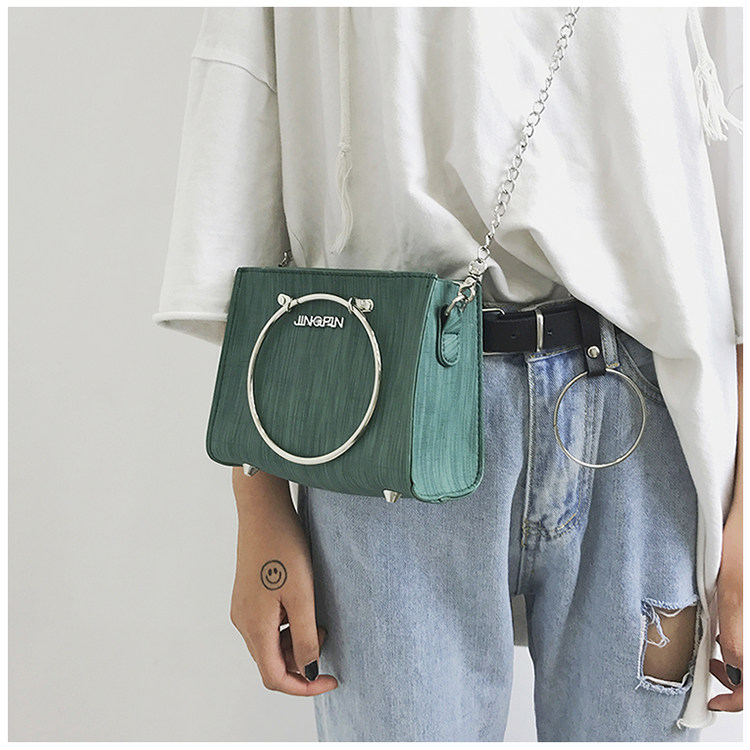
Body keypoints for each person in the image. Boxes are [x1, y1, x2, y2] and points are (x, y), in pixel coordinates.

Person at [153, 7, 743, 741]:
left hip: (644, 431)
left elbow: (733, 156)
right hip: (382, 424)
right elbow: (242, 139)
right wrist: (259, 499)